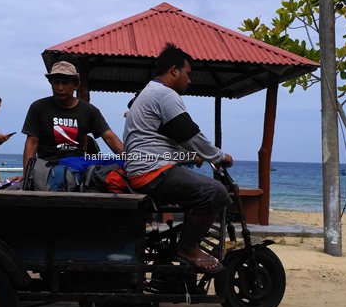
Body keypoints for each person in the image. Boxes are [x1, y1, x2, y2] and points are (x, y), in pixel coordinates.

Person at [123, 42, 234, 273]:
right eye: (187, 73)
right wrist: (219, 156)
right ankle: (188, 247)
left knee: (199, 191)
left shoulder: (148, 92)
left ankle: (182, 245)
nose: (189, 80)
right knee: (215, 192)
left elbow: (162, 140)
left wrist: (189, 156)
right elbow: (190, 133)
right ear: (174, 70)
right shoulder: (164, 94)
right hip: (152, 173)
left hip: (145, 168)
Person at [21, 60, 124, 178]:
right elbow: (32, 142)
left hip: (79, 165)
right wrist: (26, 175)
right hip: (49, 166)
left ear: (76, 85)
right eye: (56, 83)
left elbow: (109, 137)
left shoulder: (89, 110)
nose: (60, 87)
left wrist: (131, 159)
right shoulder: (38, 108)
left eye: (65, 83)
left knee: (117, 164)